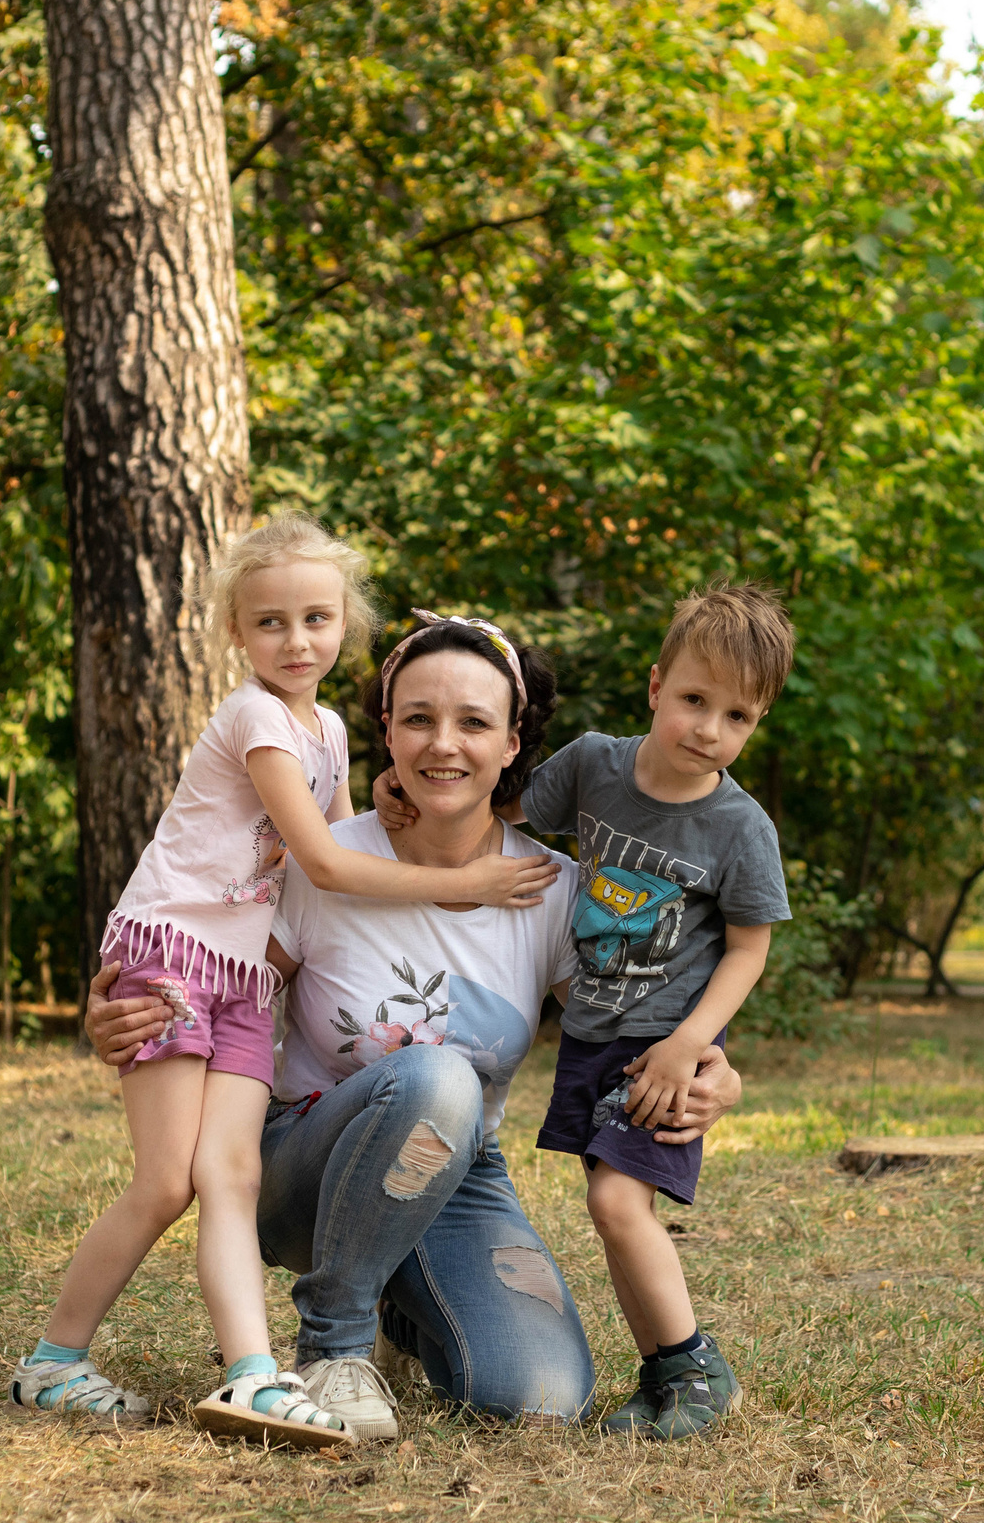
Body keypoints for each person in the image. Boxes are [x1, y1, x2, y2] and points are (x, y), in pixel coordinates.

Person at [85, 612, 745, 1438]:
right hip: (300, 1163)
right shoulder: (320, 860)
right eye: (419, 718)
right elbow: (216, 979)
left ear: (511, 744)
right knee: (437, 1071)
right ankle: (334, 1344)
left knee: (541, 1396)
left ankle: (402, 1309)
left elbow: (630, 1026)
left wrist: (715, 1071)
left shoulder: (550, 888)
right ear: (387, 733)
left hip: (457, 1169)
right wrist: (124, 1011)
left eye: (474, 722)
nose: (445, 744)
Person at [7, 519, 558, 1446]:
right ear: (233, 631)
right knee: (164, 1183)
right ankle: (55, 1359)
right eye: (271, 622)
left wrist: (385, 797)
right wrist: (463, 886)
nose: (296, 641)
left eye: (317, 618)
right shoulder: (255, 717)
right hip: (177, 954)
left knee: (225, 1174)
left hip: (240, 984)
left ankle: (253, 1375)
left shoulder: (329, 729)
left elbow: (340, 835)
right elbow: (328, 868)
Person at [523, 583, 793, 1440]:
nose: (710, 730)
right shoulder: (594, 765)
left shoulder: (740, 827)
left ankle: (696, 1367)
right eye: (693, 700)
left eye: (738, 715)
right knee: (612, 1211)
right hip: (591, 1030)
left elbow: (748, 949)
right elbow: (507, 816)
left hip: (666, 1046)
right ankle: (663, 1376)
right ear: (654, 686)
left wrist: (689, 1043)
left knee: (616, 1204)